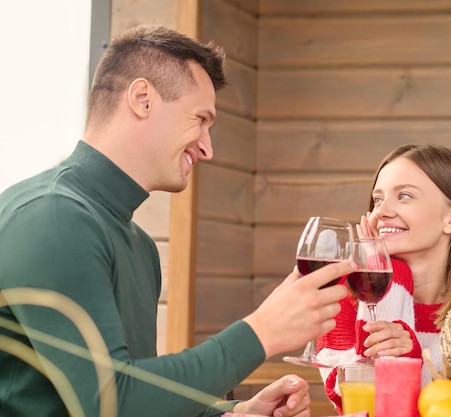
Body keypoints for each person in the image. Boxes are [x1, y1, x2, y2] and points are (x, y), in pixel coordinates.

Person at [0, 25, 354, 417]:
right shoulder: (52, 218)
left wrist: (233, 414)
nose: (207, 147)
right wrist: (261, 333)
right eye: (200, 119)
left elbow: (138, 394)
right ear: (142, 99)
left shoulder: (138, 244)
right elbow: (110, 402)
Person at [316, 144, 451, 413]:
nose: (382, 212)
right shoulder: (342, 302)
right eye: (378, 199)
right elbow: (364, 409)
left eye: (404, 196)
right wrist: (387, 275)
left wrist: (410, 358)